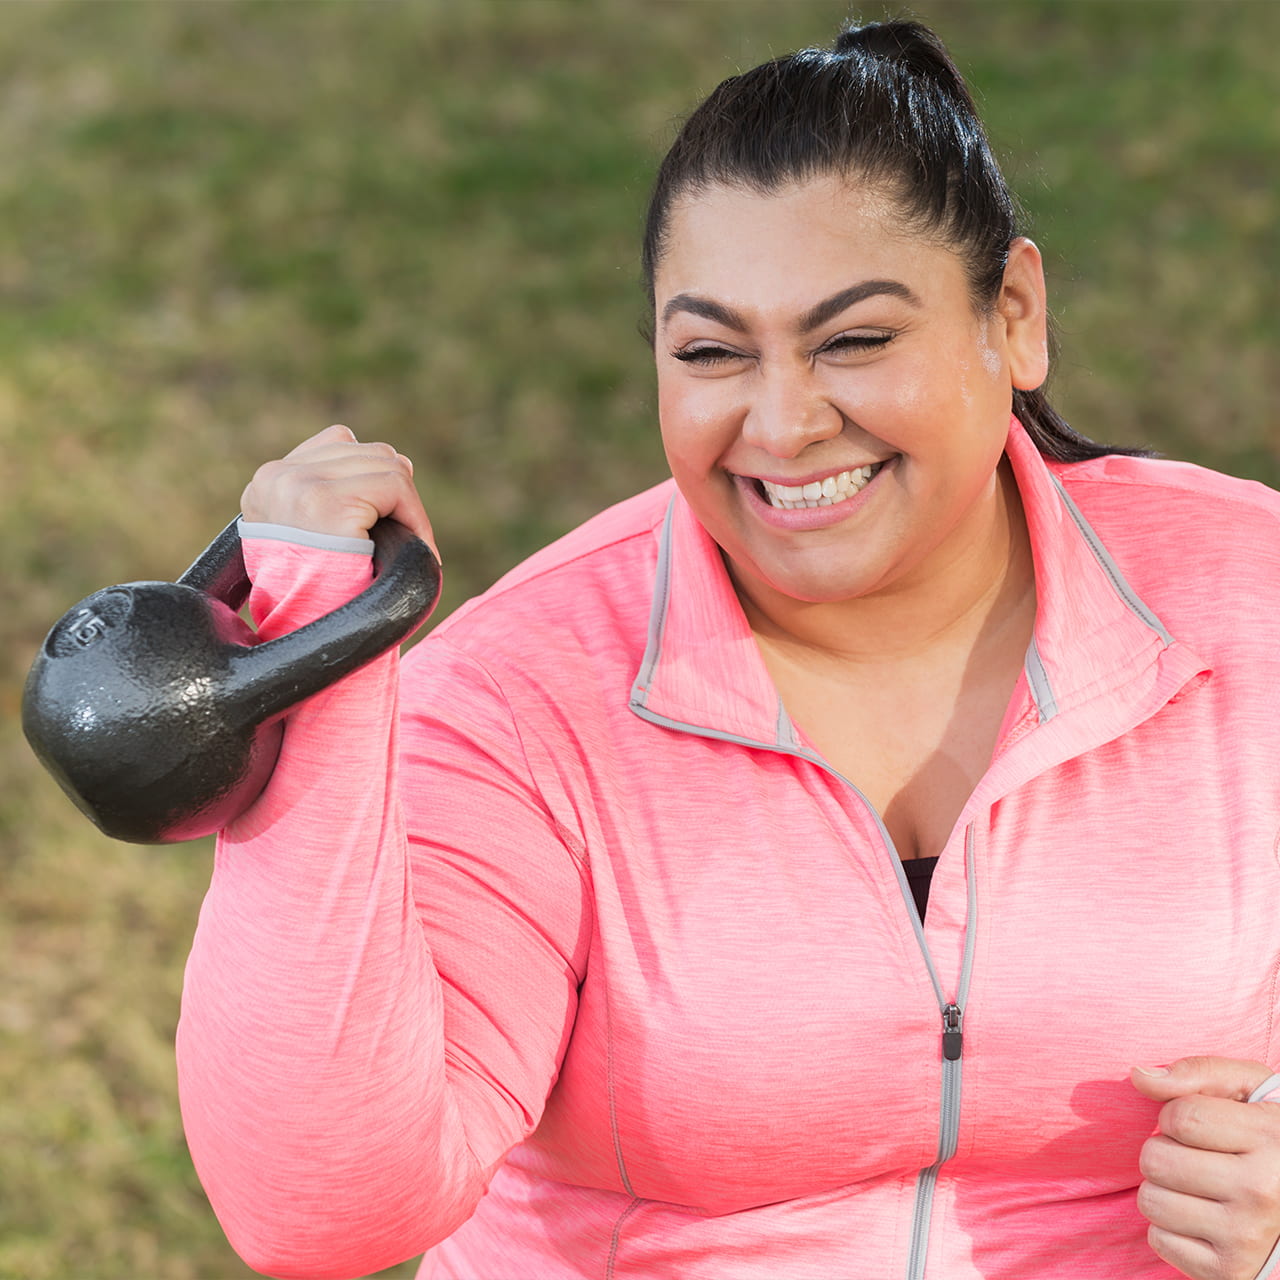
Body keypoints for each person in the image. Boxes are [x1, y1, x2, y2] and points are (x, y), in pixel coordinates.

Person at [176, 19, 1280, 1280]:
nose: (782, 421)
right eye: (710, 352)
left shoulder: (1251, 596)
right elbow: (324, 1206)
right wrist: (316, 680)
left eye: (853, 339)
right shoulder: (515, 697)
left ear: (1011, 316)